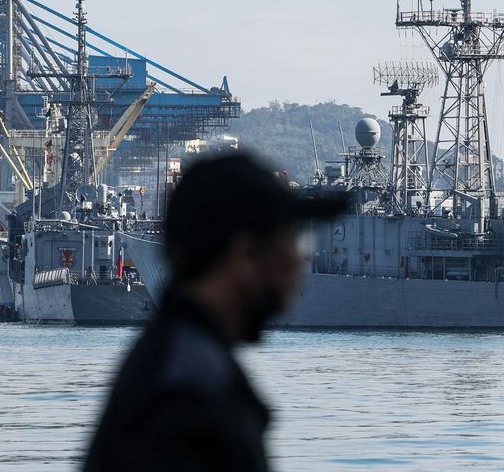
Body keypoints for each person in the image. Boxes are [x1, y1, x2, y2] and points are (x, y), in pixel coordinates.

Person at [84, 151, 348, 472]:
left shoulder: (177, 360)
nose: (299, 263)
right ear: (246, 255)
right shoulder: (190, 390)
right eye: (295, 243)